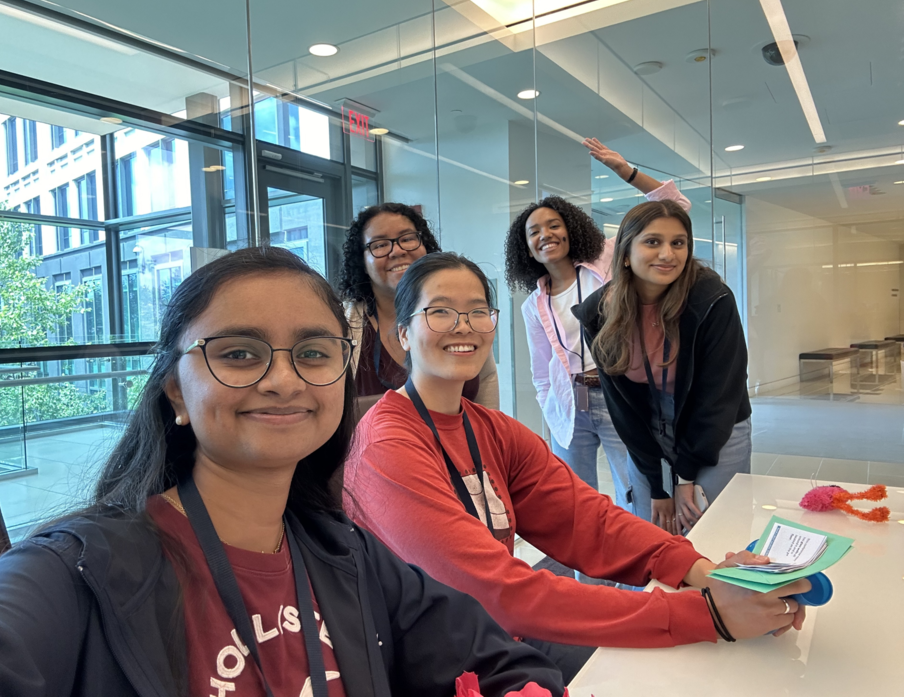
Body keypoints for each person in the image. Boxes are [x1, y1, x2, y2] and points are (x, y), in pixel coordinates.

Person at [0, 247, 565, 697]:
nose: (284, 379)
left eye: (313, 352)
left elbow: (501, 662)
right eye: (238, 353)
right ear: (175, 392)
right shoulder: (74, 573)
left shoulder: (346, 555)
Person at [344, 252, 808, 684]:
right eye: (440, 311)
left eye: (477, 311)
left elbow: (588, 521)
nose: (462, 326)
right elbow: (497, 593)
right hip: (433, 667)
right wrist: (707, 615)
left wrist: (705, 573)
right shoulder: (387, 445)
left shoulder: (491, 429)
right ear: (403, 333)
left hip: (500, 637)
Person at [504, 140, 690, 507]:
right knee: (578, 503)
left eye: (554, 225)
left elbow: (676, 206)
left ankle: (640, 546)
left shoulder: (606, 259)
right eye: (534, 232)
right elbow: (541, 372)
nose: (545, 235)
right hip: (570, 405)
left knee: (637, 492)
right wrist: (551, 411)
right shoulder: (533, 304)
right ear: (526, 247)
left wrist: (627, 172)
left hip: (619, 392)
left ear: (570, 230)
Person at [576, 200, 752, 535]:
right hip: (650, 424)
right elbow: (624, 410)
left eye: (678, 243)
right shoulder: (599, 313)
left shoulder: (711, 299)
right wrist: (659, 486)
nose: (668, 254)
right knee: (653, 531)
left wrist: (684, 478)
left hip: (714, 427)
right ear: (625, 254)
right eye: (653, 242)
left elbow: (717, 398)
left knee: (709, 531)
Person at [339, 202, 498, 412]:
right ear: (361, 262)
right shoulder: (341, 325)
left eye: (407, 239)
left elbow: (486, 380)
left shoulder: (463, 316)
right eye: (380, 245)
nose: (397, 251)